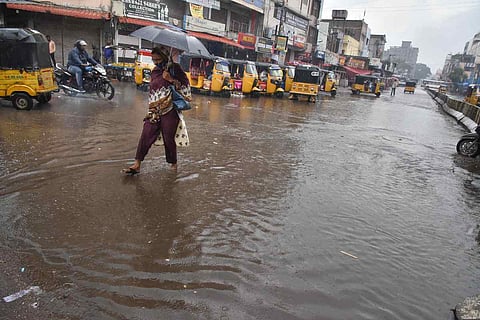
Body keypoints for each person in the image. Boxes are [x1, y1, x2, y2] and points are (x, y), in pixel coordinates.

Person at [123, 46, 191, 175]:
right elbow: (153, 90)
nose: (156, 62)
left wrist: (171, 79)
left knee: (168, 139)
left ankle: (173, 165)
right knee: (146, 134)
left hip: (170, 110)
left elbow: (186, 88)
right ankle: (137, 164)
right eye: (153, 60)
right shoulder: (154, 71)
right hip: (154, 111)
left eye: (158, 59)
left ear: (165, 57)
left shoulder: (175, 69)